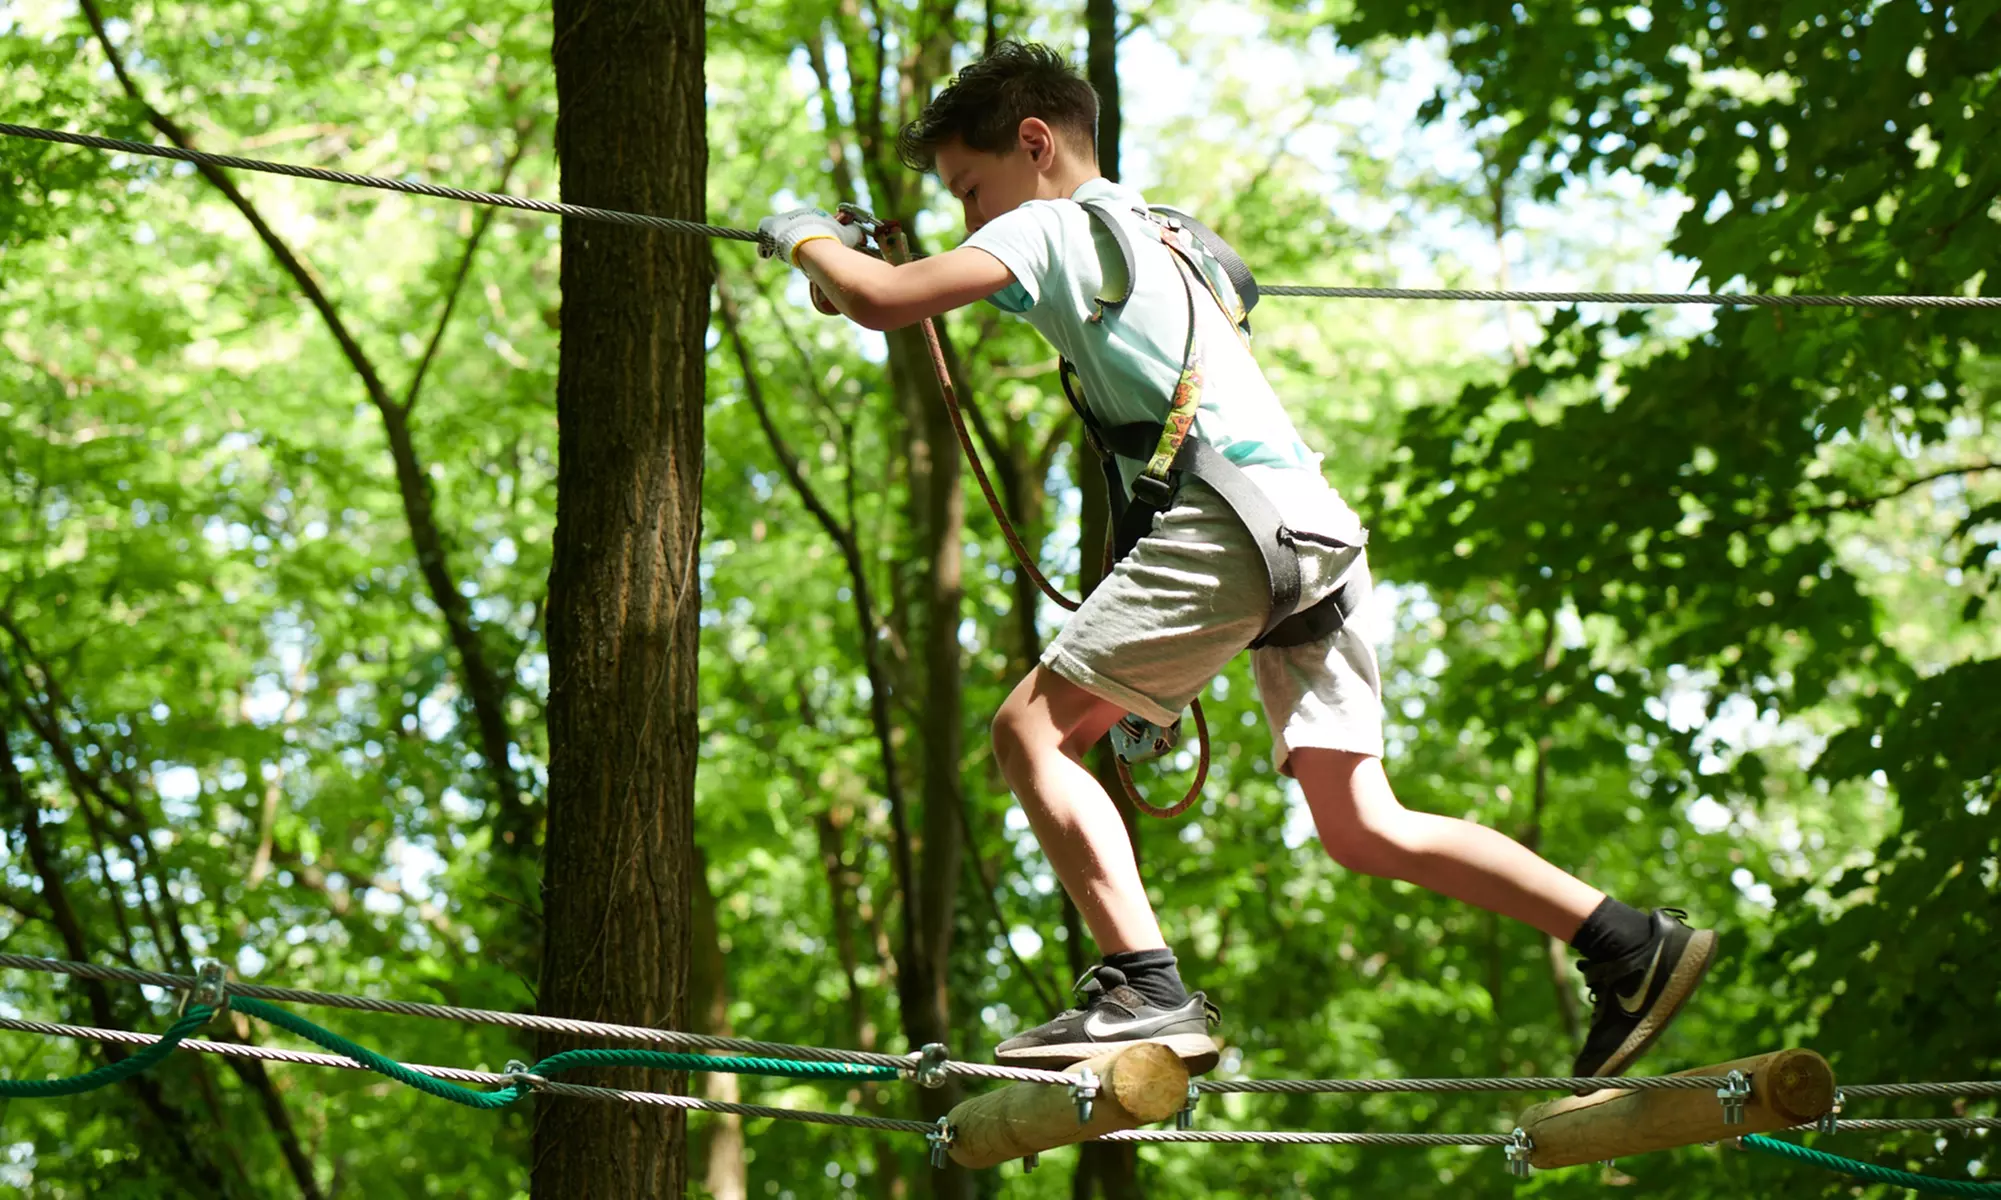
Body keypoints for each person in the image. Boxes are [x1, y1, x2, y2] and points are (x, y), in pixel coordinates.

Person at [757, 40, 1714, 1083]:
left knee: (1027, 733)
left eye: (969, 191)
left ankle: (1142, 988)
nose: (970, 221)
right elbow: (883, 288)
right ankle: (1624, 939)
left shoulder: (1049, 227)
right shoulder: (1160, 235)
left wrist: (803, 234)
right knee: (1362, 824)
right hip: (1309, 529)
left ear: (1034, 145)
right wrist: (845, 273)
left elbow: (885, 300)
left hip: (1231, 526)